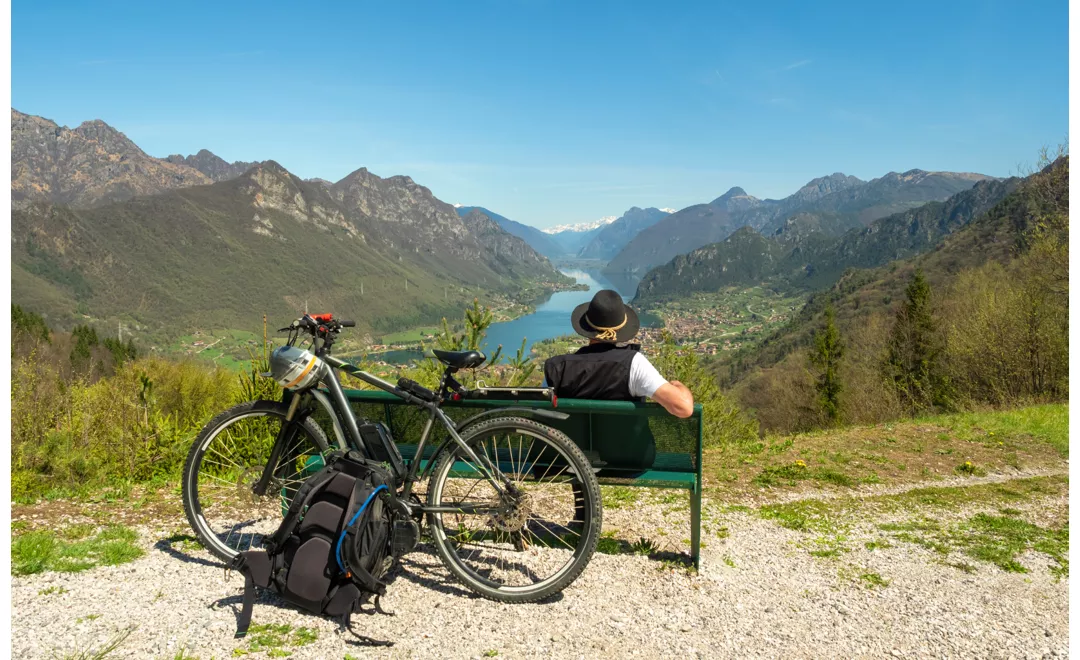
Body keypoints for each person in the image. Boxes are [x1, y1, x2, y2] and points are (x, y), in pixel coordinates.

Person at [543, 289, 694, 418]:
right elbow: (684, 408)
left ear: (587, 329)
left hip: (569, 444)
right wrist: (678, 385)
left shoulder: (557, 368)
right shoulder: (634, 364)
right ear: (621, 329)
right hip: (626, 445)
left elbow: (539, 411)